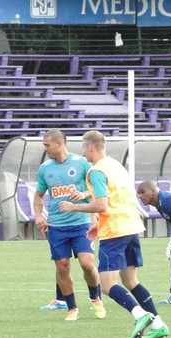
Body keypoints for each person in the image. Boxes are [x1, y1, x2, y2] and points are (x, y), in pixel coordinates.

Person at [60, 130, 169, 338]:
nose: (84, 153)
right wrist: (98, 224)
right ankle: (159, 324)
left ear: (90, 147)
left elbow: (102, 204)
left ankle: (140, 315)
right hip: (131, 226)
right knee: (131, 281)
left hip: (115, 231)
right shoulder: (115, 165)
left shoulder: (96, 171)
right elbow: (116, 197)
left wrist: (74, 207)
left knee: (107, 285)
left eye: (84, 149)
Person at [34, 130, 104, 321]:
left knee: (87, 264)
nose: (45, 149)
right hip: (56, 225)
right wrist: (39, 215)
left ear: (59, 143)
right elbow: (39, 195)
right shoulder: (45, 168)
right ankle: (72, 308)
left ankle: (95, 298)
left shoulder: (81, 163)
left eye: (47, 145)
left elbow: (96, 189)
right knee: (62, 267)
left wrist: (84, 195)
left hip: (81, 222)